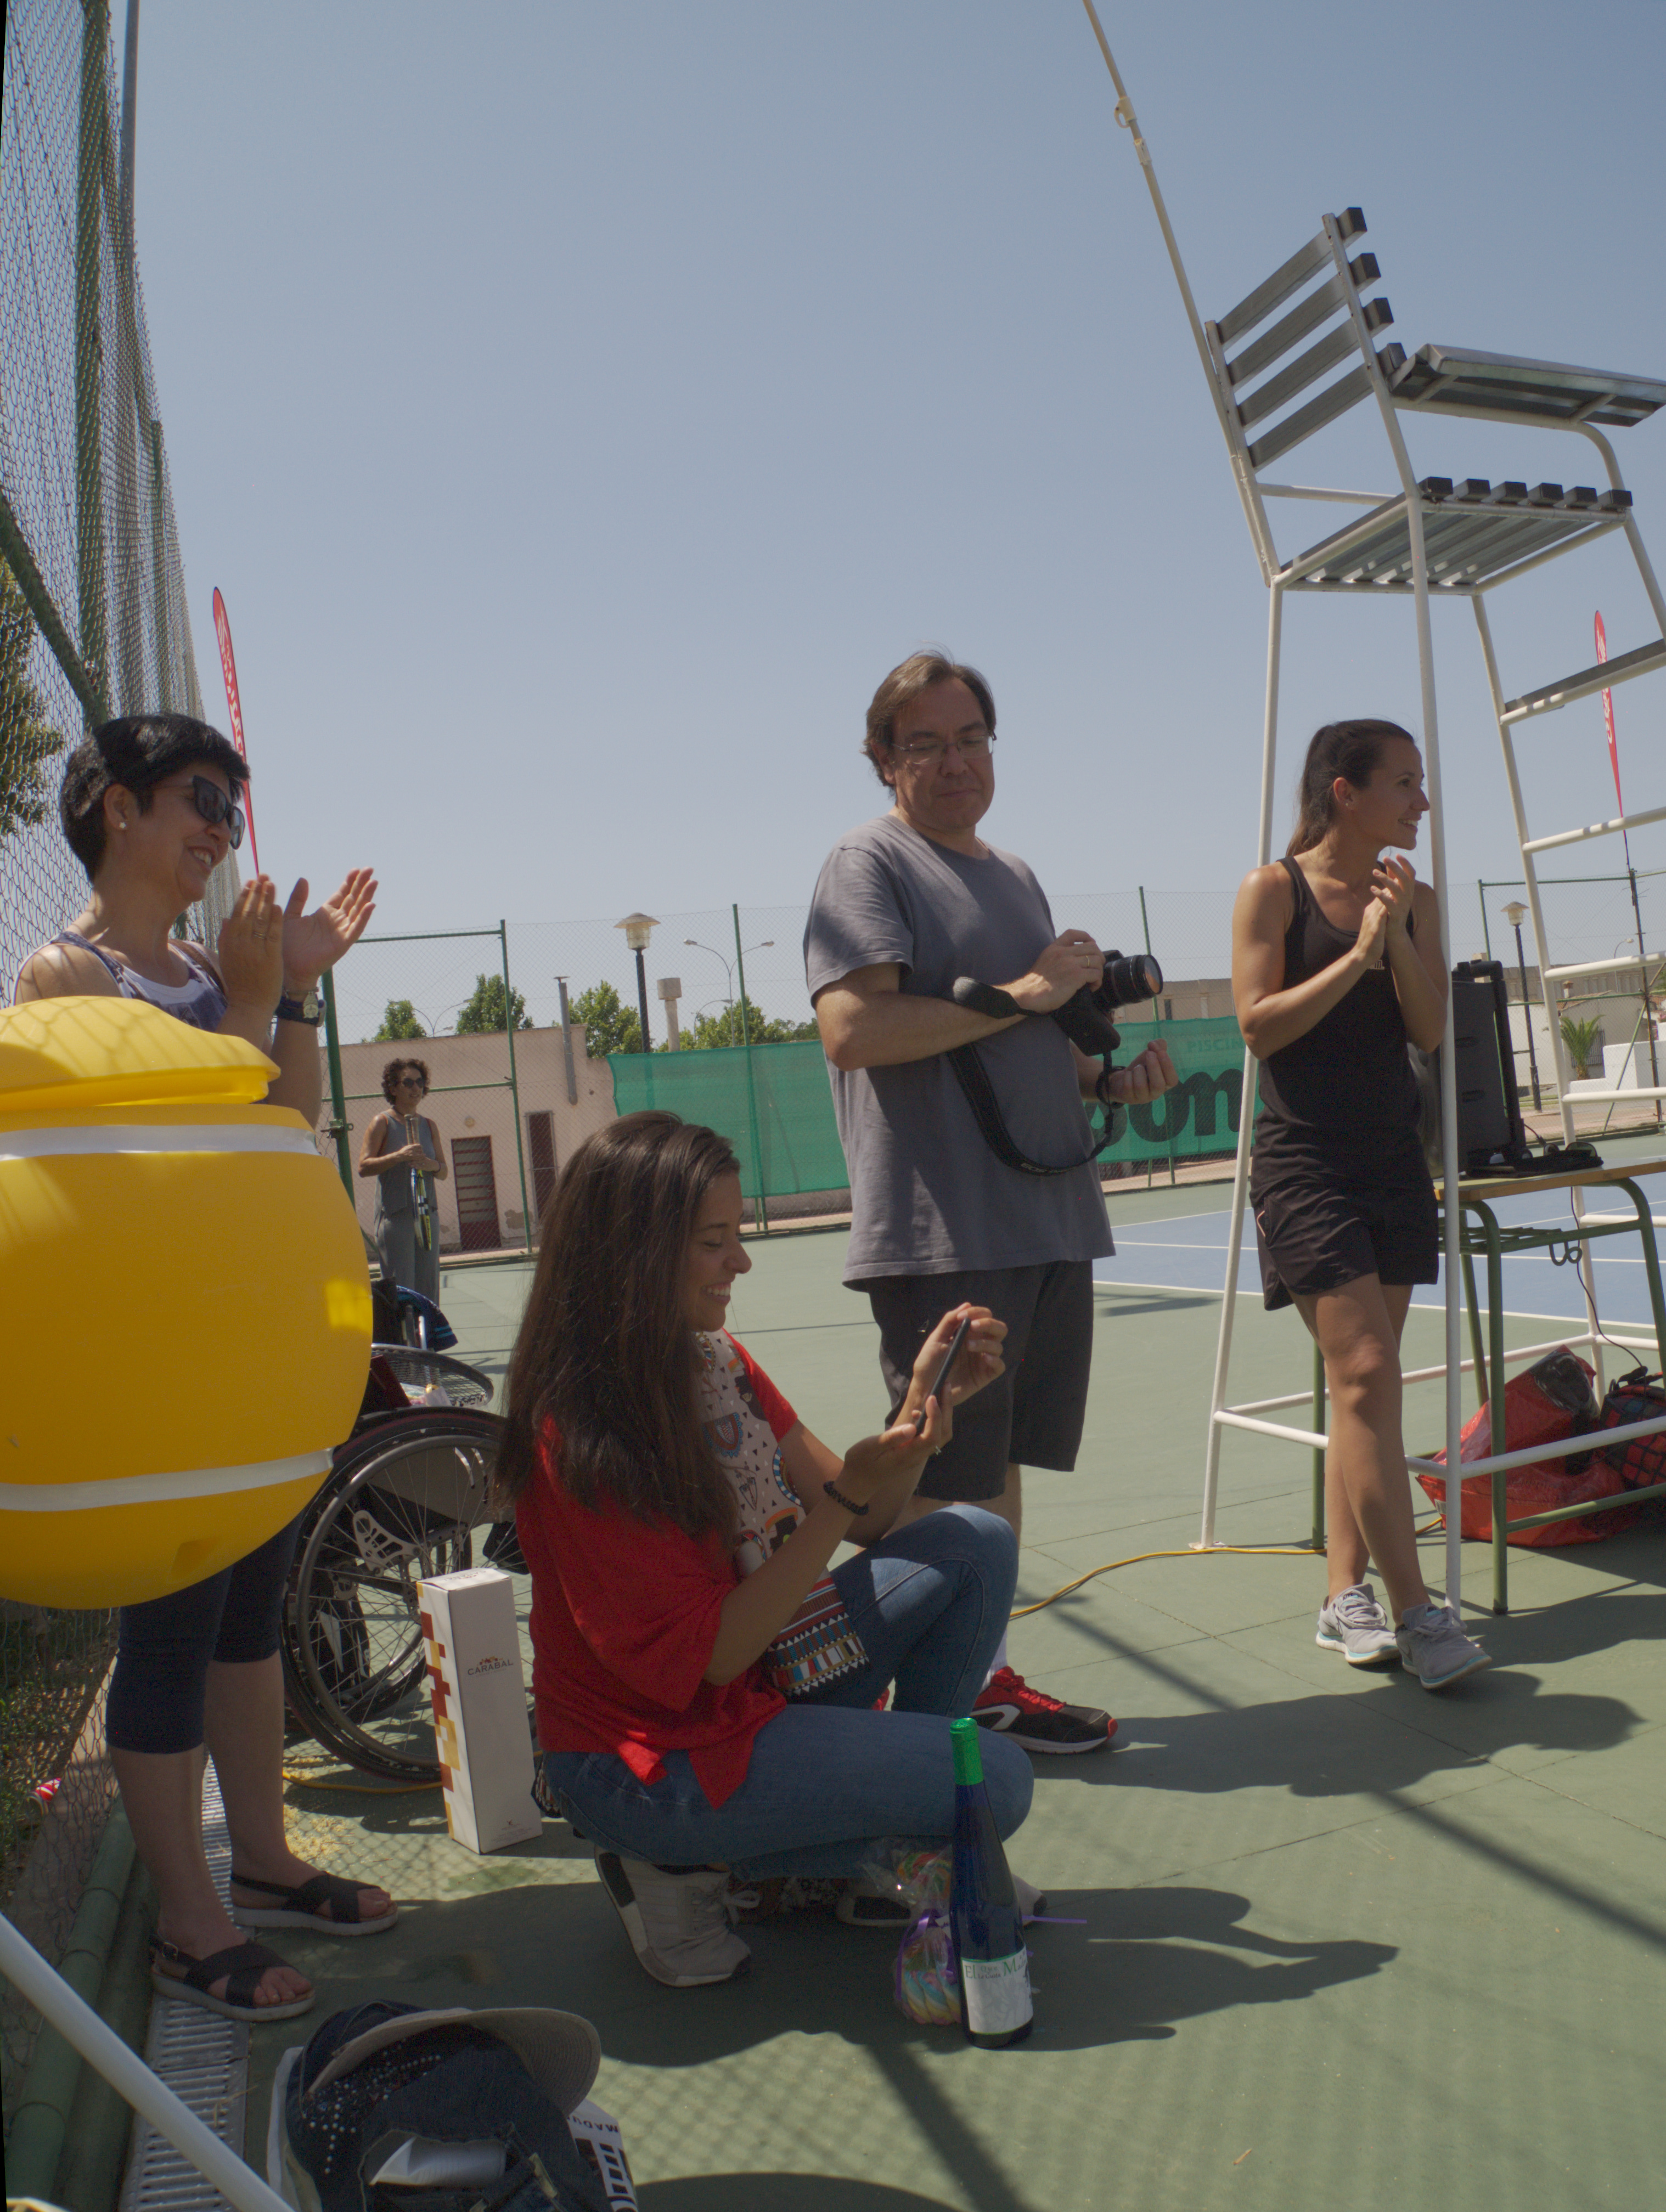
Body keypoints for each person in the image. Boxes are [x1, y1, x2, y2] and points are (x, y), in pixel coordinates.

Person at [14, 714, 392, 2020]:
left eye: (231, 804)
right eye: (199, 797)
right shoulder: (62, 977)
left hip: (239, 1348)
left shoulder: (202, 965)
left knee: (247, 1614)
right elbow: (161, 1147)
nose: (222, 827)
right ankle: (188, 1918)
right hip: (148, 1367)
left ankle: (265, 1861)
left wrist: (290, 993)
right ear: (117, 808)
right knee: (169, 1630)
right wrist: (246, 999)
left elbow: (282, 1122)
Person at [497, 1111, 1034, 1989]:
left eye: (735, 1237)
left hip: (750, 1688)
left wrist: (921, 1417)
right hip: (647, 1764)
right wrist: (847, 1499)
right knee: (997, 1786)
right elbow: (713, 1653)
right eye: (714, 1243)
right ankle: (684, 1862)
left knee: (973, 1542)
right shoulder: (579, 1434)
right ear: (634, 1257)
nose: (740, 1263)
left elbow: (870, 1519)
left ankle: (891, 1848)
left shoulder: (716, 1366)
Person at [803, 651, 1178, 1753]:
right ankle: (896, 1731)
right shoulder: (867, 862)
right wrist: (1025, 991)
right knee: (937, 1477)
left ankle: (976, 1688)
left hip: (1045, 1217)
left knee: (993, 1474)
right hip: (944, 1226)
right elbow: (853, 1030)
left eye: (971, 738)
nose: (956, 761)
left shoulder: (1013, 873)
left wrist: (1105, 1082)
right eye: (925, 743)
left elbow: (1028, 1032)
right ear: (883, 758)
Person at [1230, 718, 1489, 1691]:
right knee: (1370, 1369)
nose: (1421, 800)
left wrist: (1399, 938)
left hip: (1393, 1163)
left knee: (1363, 1392)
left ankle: (1345, 1593)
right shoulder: (1273, 890)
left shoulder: (1415, 896)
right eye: (1404, 782)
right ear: (1345, 791)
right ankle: (1420, 1613)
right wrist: (1358, 953)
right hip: (1304, 1166)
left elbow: (1429, 1029)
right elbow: (1259, 1027)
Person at [359, 1057, 447, 1301]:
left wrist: (430, 1165)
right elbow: (364, 1167)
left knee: (428, 1290)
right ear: (393, 1087)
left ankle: (427, 1328)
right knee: (401, 1291)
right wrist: (399, 1156)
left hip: (427, 1216)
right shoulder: (382, 1122)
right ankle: (401, 1328)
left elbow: (443, 1171)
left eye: (420, 1082)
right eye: (408, 1083)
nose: (415, 1088)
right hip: (395, 1217)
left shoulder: (430, 1126)